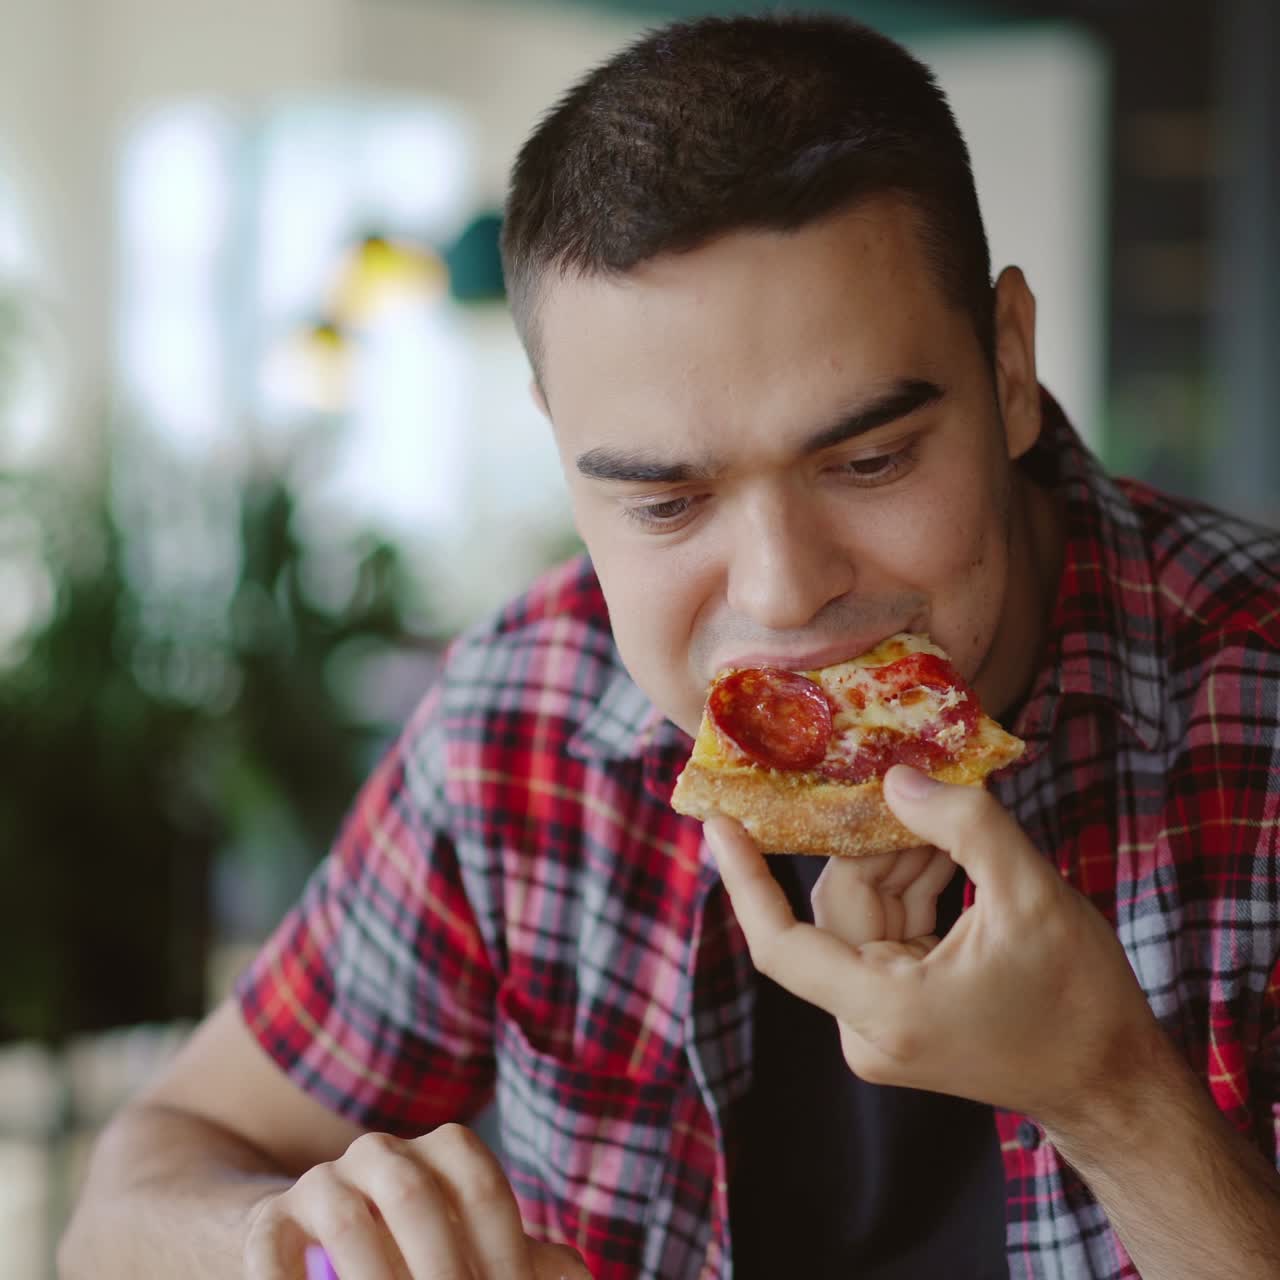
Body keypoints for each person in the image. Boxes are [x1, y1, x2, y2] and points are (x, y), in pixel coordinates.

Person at [59, 13, 1280, 1280]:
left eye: (868, 459)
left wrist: (1112, 1095)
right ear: (559, 440)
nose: (784, 591)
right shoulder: (519, 716)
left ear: (1008, 364)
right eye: (665, 502)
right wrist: (302, 1244)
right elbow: (134, 1194)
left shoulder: (1255, 700)